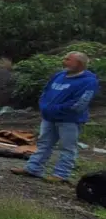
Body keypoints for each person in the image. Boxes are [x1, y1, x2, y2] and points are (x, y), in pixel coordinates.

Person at [12, 51, 100, 182]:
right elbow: (46, 91)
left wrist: (57, 109)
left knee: (67, 147)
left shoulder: (89, 81)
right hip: (48, 118)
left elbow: (80, 103)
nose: (64, 61)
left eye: (68, 59)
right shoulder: (59, 75)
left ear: (79, 63)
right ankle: (33, 169)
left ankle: (61, 175)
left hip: (69, 121)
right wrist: (43, 106)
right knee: (43, 144)